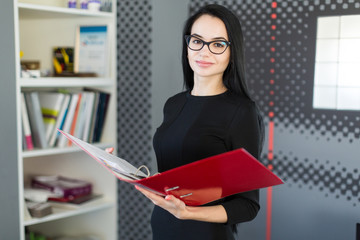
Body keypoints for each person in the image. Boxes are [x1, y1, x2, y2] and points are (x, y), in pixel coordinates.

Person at [135, 4, 264, 240]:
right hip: (163, 227)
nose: (204, 52)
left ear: (231, 52)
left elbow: (248, 206)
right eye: (197, 41)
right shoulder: (173, 104)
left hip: (205, 233)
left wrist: (189, 212)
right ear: (187, 45)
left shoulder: (241, 111)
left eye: (217, 44)